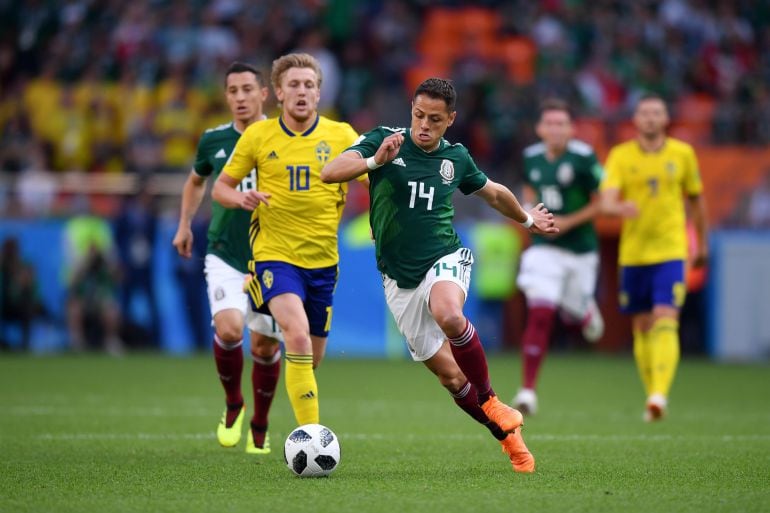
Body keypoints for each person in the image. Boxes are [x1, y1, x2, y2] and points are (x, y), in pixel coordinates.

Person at [321, 77, 558, 473]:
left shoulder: (456, 158)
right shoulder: (385, 140)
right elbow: (331, 171)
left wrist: (527, 218)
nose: (424, 126)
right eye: (418, 115)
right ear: (410, 110)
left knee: (449, 313)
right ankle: (507, 436)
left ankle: (491, 397)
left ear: (450, 120)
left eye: (434, 119)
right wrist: (375, 161)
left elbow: (494, 192)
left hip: (443, 257)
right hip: (398, 279)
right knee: (450, 378)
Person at [212, 53, 362, 431]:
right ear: (278, 92)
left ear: (318, 93)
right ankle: (311, 435)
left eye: (309, 85)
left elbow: (374, 179)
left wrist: (381, 218)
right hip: (273, 256)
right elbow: (220, 187)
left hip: (324, 262)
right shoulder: (258, 136)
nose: (301, 92)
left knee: (310, 358)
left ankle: (270, 408)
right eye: (294, 85)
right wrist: (240, 198)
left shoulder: (342, 135)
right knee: (295, 336)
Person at [172, 62, 282, 455]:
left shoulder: (282, 137)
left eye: (247, 90)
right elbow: (196, 181)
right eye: (232, 91)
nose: (239, 98)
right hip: (225, 252)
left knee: (266, 347)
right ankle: (234, 402)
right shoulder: (213, 140)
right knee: (232, 329)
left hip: (273, 256)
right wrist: (185, 224)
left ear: (264, 94)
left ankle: (261, 421)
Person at [600, 93, 708, 422]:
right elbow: (606, 202)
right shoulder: (620, 155)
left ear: (665, 119)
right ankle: (653, 394)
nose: (649, 118)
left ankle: (659, 393)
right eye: (644, 113)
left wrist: (702, 244)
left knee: (665, 316)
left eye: (656, 113)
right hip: (633, 254)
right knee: (642, 324)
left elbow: (696, 201)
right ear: (635, 120)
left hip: (671, 250)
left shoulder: (683, 154)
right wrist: (620, 207)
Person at [512, 98, 605, 416]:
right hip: (544, 249)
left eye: (561, 124)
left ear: (571, 129)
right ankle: (527, 391)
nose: (555, 129)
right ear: (539, 128)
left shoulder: (583, 157)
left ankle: (584, 310)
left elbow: (601, 202)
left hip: (580, 250)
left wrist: (568, 221)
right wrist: (530, 214)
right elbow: (528, 192)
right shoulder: (530, 157)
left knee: (573, 314)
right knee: (540, 312)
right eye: (549, 123)